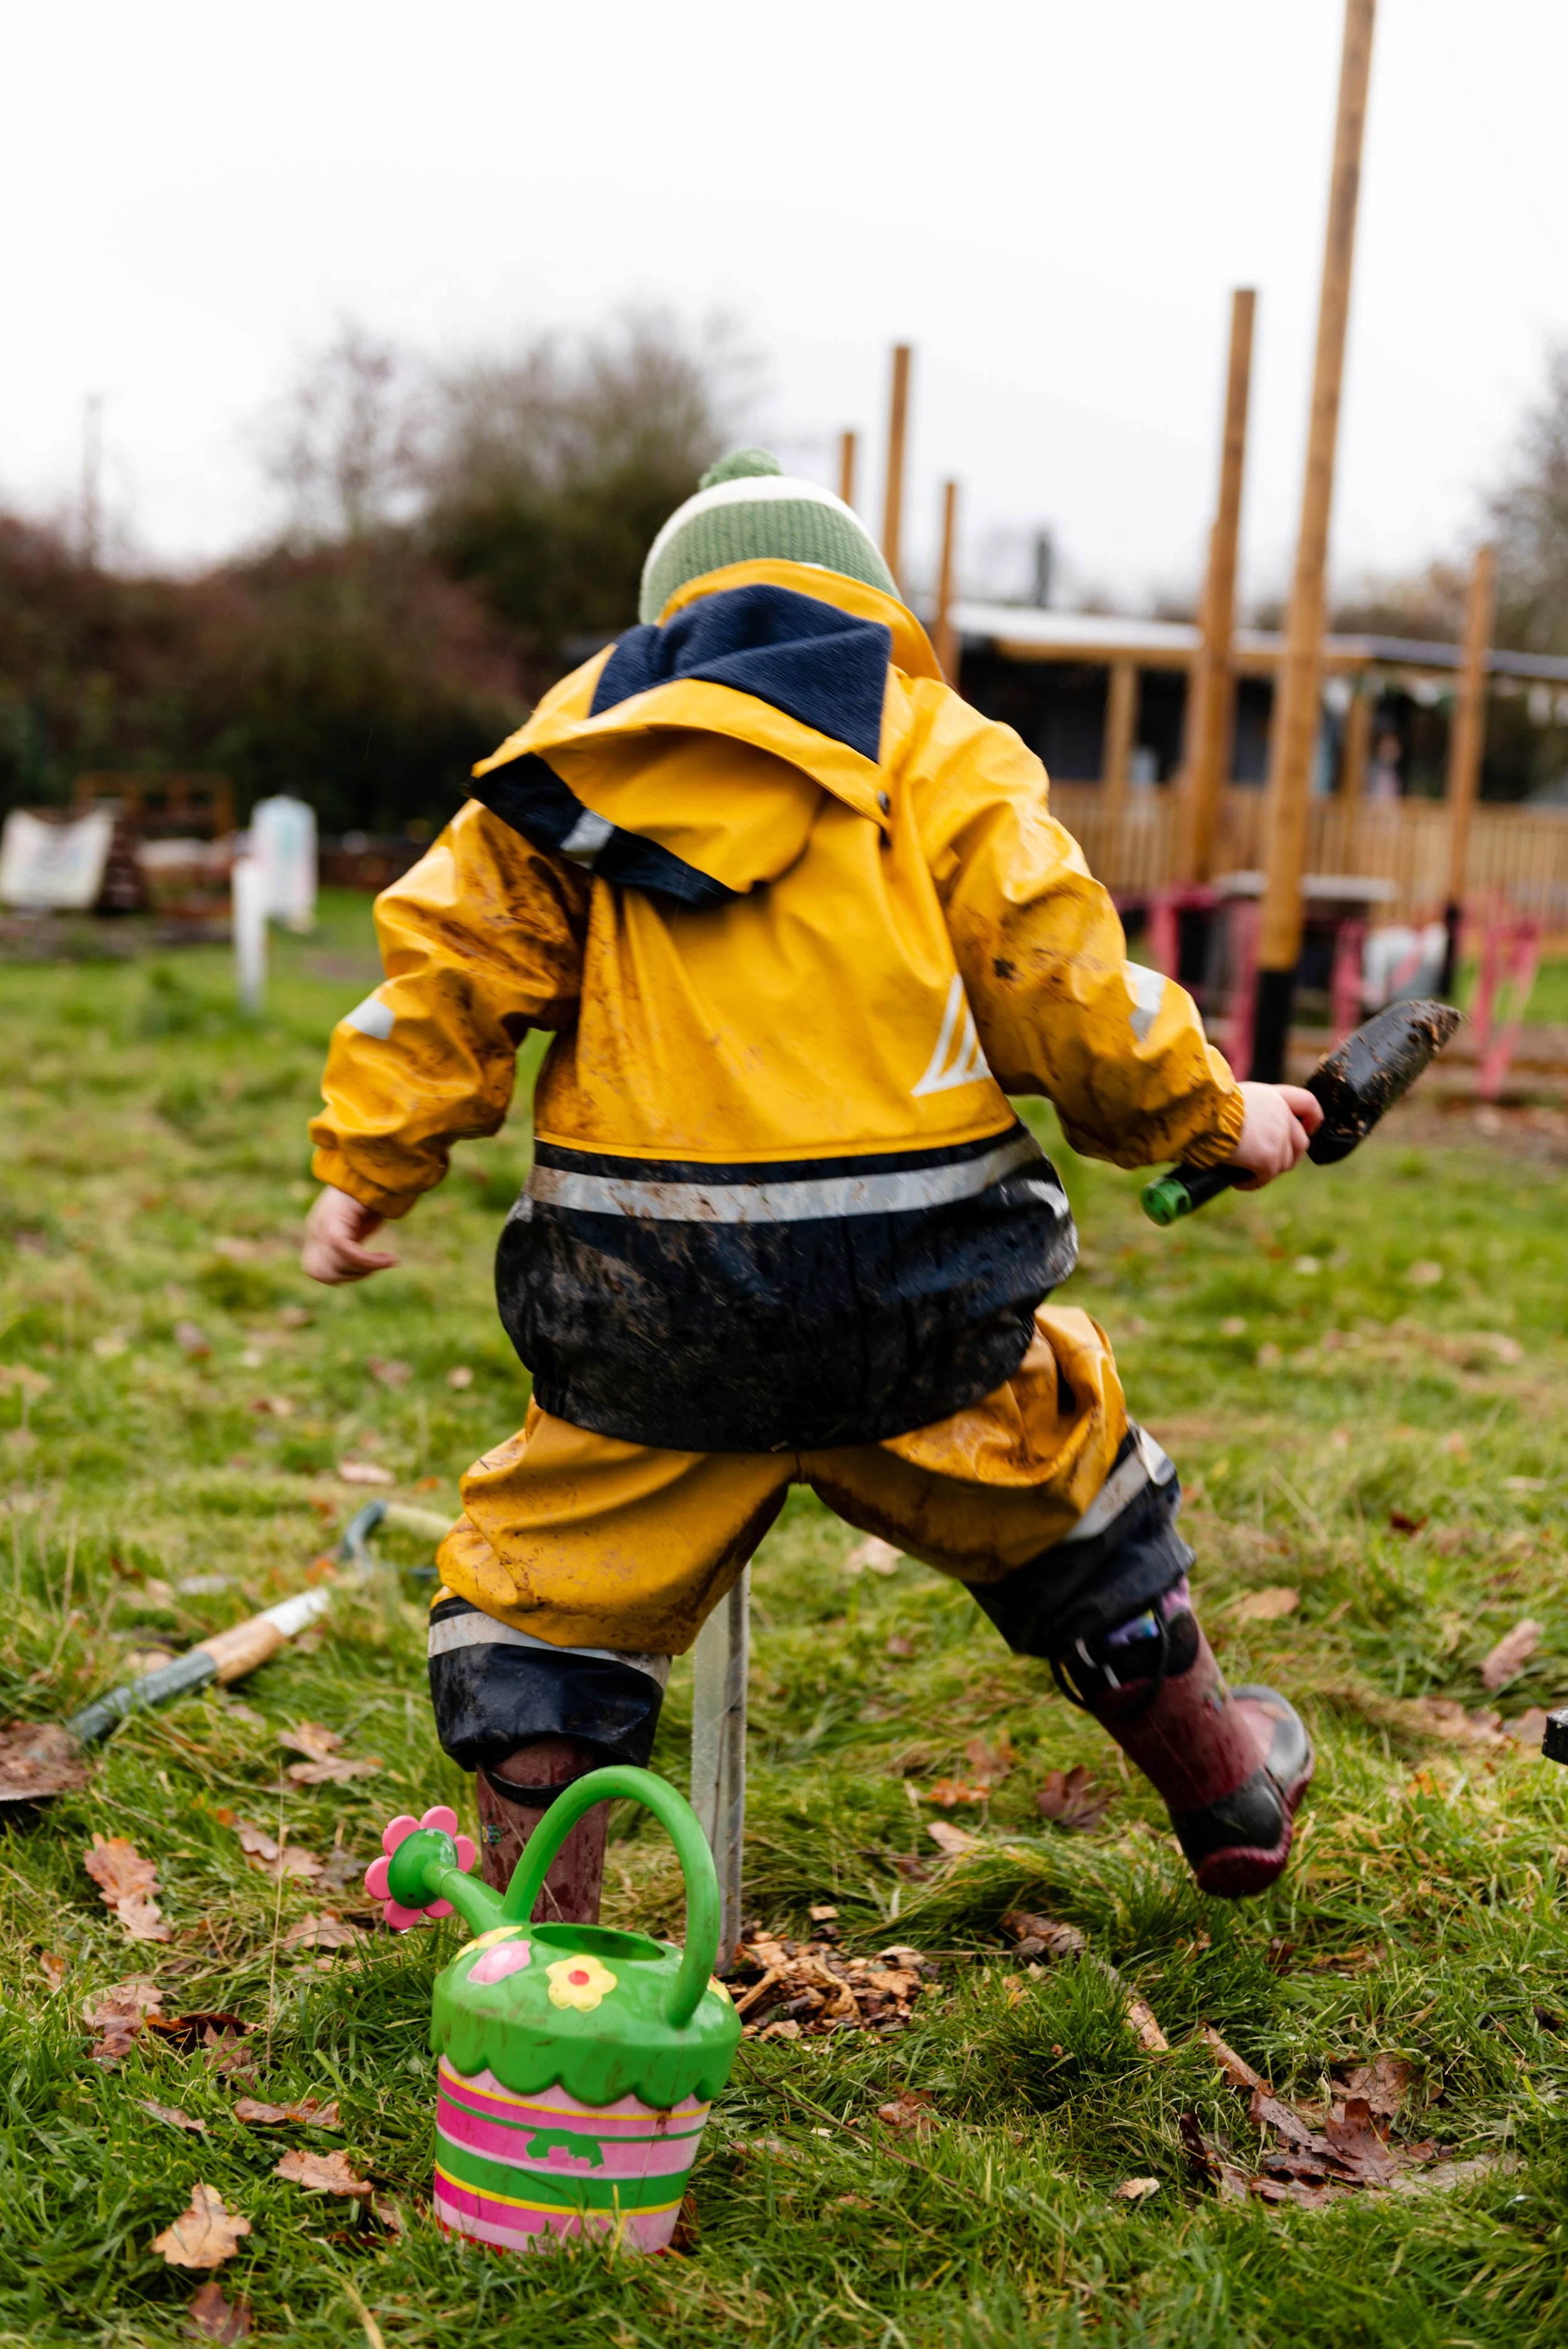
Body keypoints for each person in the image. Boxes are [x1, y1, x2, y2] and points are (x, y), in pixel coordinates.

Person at [304, 449, 1322, 1924]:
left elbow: (442, 977)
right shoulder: (935, 746)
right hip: (920, 1288)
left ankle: (541, 1952)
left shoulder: (577, 754)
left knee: (547, 1593)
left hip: (651, 1296)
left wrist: (367, 1164)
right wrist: (1211, 1117)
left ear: (668, 619)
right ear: (869, 608)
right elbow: (1063, 983)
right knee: (1070, 1497)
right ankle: (1223, 1783)